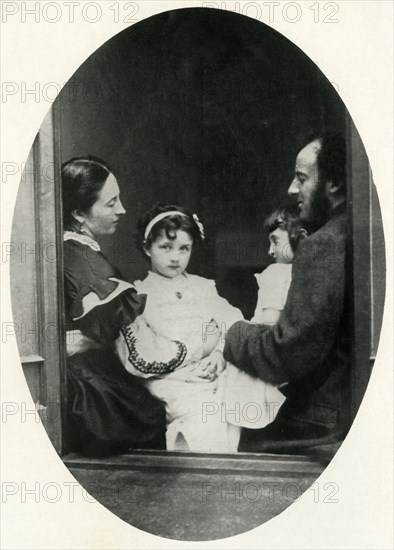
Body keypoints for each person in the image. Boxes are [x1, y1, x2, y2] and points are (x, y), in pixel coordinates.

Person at [224, 133, 352, 455]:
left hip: (321, 425)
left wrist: (230, 331)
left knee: (232, 432)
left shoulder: (323, 244)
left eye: (301, 178)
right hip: (345, 412)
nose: (292, 189)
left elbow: (286, 353)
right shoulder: (353, 231)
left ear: (334, 181)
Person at [62, 157, 189, 457]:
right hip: (91, 390)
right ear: (79, 212)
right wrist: (194, 351)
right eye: (111, 203)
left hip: (87, 373)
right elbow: (140, 356)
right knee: (157, 412)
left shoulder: (73, 250)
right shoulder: (86, 264)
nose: (122, 209)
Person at [115, 204, 244, 452]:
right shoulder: (139, 295)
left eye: (184, 249)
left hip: (209, 370)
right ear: (147, 248)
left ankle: (224, 468)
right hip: (168, 379)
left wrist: (220, 353)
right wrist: (184, 373)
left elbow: (231, 320)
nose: (175, 257)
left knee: (235, 401)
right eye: (165, 247)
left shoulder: (203, 287)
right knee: (202, 412)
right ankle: (197, 471)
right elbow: (142, 354)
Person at [221, 205, 306, 432]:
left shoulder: (276, 274)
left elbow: (266, 327)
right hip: (291, 362)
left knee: (230, 407)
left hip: (264, 358)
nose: (270, 251)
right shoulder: (307, 275)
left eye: (275, 241)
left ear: (301, 237)